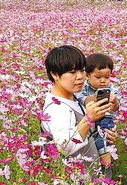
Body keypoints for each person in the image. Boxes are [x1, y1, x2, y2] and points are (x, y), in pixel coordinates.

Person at [40, 46, 115, 178]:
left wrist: (104, 133)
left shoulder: (73, 97)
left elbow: (86, 132)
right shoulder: (56, 108)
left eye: (82, 70)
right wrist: (88, 119)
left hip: (90, 178)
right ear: (54, 74)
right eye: (73, 72)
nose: (80, 77)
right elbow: (65, 147)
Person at [78, 52, 121, 179]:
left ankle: (106, 168)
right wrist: (94, 97)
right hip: (89, 118)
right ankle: (100, 170)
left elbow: (115, 108)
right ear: (87, 75)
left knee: (104, 138)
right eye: (98, 77)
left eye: (107, 77)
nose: (103, 81)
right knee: (94, 143)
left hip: (105, 119)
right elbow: (83, 101)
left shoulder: (112, 88)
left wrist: (113, 102)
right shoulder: (83, 88)